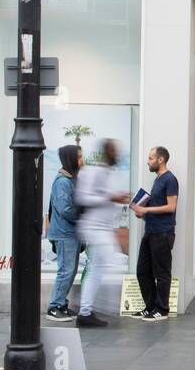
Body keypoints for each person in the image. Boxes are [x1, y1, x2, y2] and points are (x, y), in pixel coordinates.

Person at [75, 138, 129, 328]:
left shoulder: (107, 173)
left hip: (103, 229)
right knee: (102, 268)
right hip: (94, 228)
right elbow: (83, 197)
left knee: (100, 268)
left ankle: (88, 309)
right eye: (114, 151)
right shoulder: (93, 172)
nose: (117, 155)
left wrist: (117, 198)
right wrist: (110, 196)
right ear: (107, 152)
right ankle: (88, 309)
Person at [129, 145, 179, 321]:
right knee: (142, 271)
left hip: (163, 233)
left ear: (161, 159)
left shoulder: (170, 179)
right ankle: (150, 306)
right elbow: (157, 204)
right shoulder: (157, 179)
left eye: (151, 158)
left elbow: (171, 207)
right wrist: (141, 211)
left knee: (162, 273)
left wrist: (147, 211)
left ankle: (162, 309)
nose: (148, 161)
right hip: (150, 231)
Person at [44, 144, 82, 322]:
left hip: (70, 233)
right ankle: (54, 307)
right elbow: (65, 209)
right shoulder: (62, 182)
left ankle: (61, 304)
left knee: (70, 271)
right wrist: (83, 215)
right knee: (65, 271)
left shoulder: (71, 180)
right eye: (79, 157)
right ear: (71, 159)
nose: (82, 161)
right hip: (64, 233)